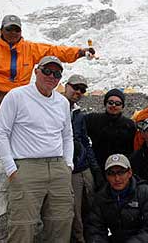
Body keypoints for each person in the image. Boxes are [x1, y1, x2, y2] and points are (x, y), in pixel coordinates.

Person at [0, 14, 95, 155]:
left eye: (16, 30)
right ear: (1, 30)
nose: (13, 33)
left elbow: (54, 51)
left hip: (18, 98)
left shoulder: (29, 48)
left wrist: (80, 52)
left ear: (21, 32)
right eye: (9, 29)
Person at [0, 56, 75, 243]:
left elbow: (67, 135)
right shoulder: (16, 96)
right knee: (22, 227)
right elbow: (0, 132)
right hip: (27, 168)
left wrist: (68, 164)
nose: (51, 76)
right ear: (36, 71)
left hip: (58, 167)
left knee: (61, 224)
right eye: (47, 71)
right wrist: (11, 169)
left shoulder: (62, 102)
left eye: (56, 73)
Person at [85, 154, 148, 242]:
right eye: (111, 173)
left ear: (129, 173)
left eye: (121, 172)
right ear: (106, 176)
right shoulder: (101, 198)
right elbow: (94, 230)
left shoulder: (147, 194)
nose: (117, 178)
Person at [63, 74, 102, 243]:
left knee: (92, 204)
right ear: (66, 86)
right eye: (75, 87)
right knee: (75, 210)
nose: (78, 92)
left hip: (83, 166)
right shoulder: (55, 107)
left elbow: (85, 141)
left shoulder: (78, 114)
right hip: (69, 169)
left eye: (82, 89)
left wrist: (95, 169)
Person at [85, 89, 136, 171]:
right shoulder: (92, 119)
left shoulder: (129, 125)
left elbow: (132, 149)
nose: (114, 106)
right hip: (97, 167)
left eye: (118, 103)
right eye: (110, 102)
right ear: (105, 104)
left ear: (122, 106)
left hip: (120, 168)